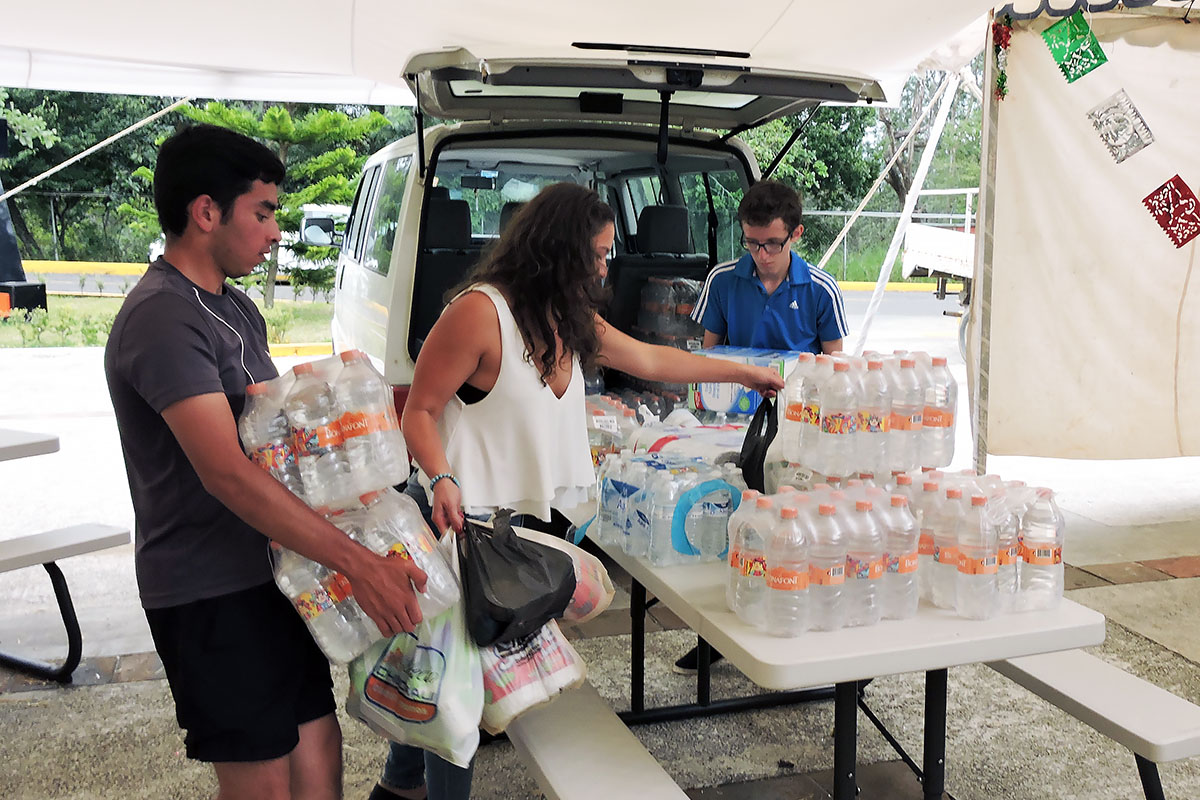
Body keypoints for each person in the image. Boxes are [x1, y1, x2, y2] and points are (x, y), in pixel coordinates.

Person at [369, 182, 783, 800]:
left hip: (524, 530)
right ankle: (415, 786)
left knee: (444, 675)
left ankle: (397, 786)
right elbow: (419, 412)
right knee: (458, 697)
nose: (604, 265)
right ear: (556, 250)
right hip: (462, 531)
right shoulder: (479, 313)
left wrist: (744, 372)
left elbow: (651, 360)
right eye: (596, 252)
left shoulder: (567, 316)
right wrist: (442, 477)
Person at [104, 124, 427, 800]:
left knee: (318, 750)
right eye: (264, 211)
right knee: (265, 781)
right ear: (205, 212)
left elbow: (273, 441)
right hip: (206, 586)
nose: (276, 230)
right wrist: (358, 563)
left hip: (274, 572)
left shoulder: (234, 307)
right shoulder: (163, 318)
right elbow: (225, 471)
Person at [674, 178, 849, 675]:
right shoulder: (724, 280)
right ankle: (713, 637)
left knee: (796, 529)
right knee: (733, 525)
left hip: (797, 434)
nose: (761, 254)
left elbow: (838, 375)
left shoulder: (820, 289)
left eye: (771, 243)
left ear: (795, 235)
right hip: (736, 427)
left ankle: (803, 628)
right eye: (751, 243)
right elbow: (709, 359)